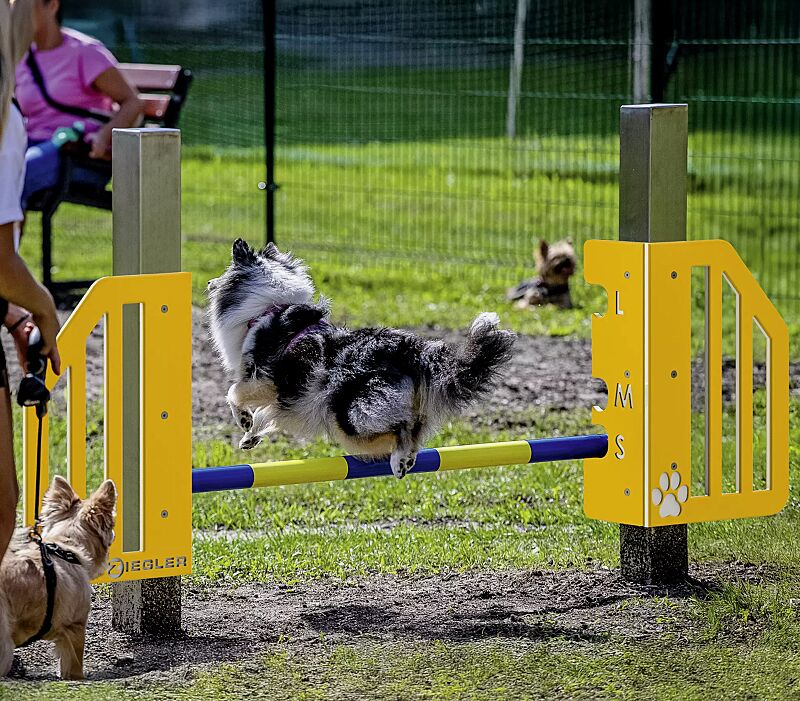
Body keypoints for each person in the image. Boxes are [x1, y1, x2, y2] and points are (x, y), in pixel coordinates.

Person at [0, 0, 62, 562]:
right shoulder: (5, 115)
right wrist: (41, 307)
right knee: (2, 506)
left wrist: (13, 312)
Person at [15, 0, 143, 207]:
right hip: (30, 143)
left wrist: (104, 136)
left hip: (76, 153)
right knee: (9, 172)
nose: (18, 13)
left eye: (26, 6)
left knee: (15, 175)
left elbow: (133, 103)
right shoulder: (21, 56)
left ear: (52, 5)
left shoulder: (84, 51)